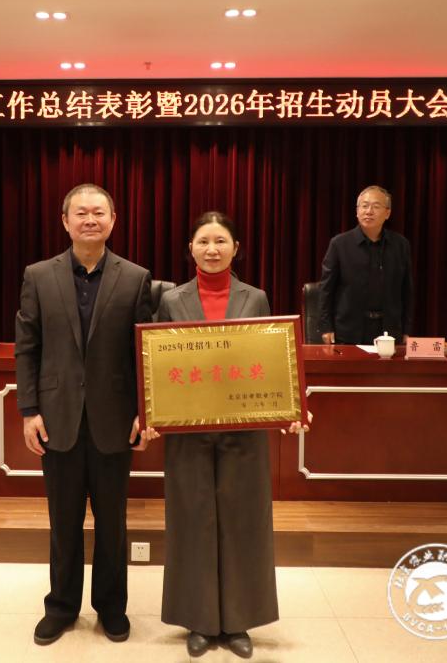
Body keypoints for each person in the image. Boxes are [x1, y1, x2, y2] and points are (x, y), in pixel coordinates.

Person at [140, 211, 305, 658]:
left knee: (244, 521)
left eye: (220, 241)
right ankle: (198, 620)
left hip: (243, 430)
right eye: (203, 241)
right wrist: (151, 411)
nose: (212, 249)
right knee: (191, 521)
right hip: (188, 432)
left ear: (236, 249)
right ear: (190, 249)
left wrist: (288, 408)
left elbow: (270, 359)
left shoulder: (256, 298)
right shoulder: (172, 300)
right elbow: (158, 364)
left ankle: (237, 622)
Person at [15, 183, 153, 646]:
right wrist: (29, 410)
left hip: (115, 419)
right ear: (65, 221)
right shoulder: (39, 275)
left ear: (113, 220)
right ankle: (61, 607)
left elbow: (143, 353)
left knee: (113, 524)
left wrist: (144, 411)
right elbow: (27, 347)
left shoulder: (136, 278)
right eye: (81, 213)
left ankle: (112, 608)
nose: (90, 220)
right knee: (63, 522)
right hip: (57, 418)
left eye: (98, 212)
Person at [317, 185, 413, 345]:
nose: (369, 211)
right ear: (357, 211)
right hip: (348, 330)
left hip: (389, 330)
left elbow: (407, 291)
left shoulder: (400, 245)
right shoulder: (339, 244)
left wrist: (407, 329)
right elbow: (326, 289)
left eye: (376, 206)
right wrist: (326, 327)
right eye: (364, 206)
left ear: (387, 213)